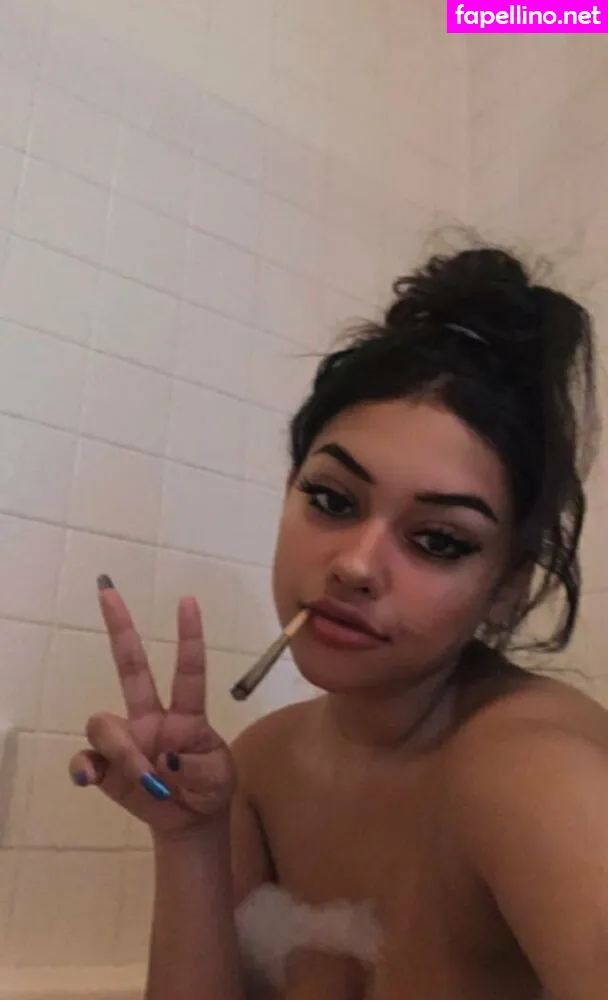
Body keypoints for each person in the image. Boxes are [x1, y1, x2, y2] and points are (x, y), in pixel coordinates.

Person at [69, 242, 608, 1000]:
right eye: (332, 499)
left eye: (438, 541)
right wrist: (189, 839)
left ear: (506, 590)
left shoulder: (536, 779)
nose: (355, 565)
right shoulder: (262, 765)